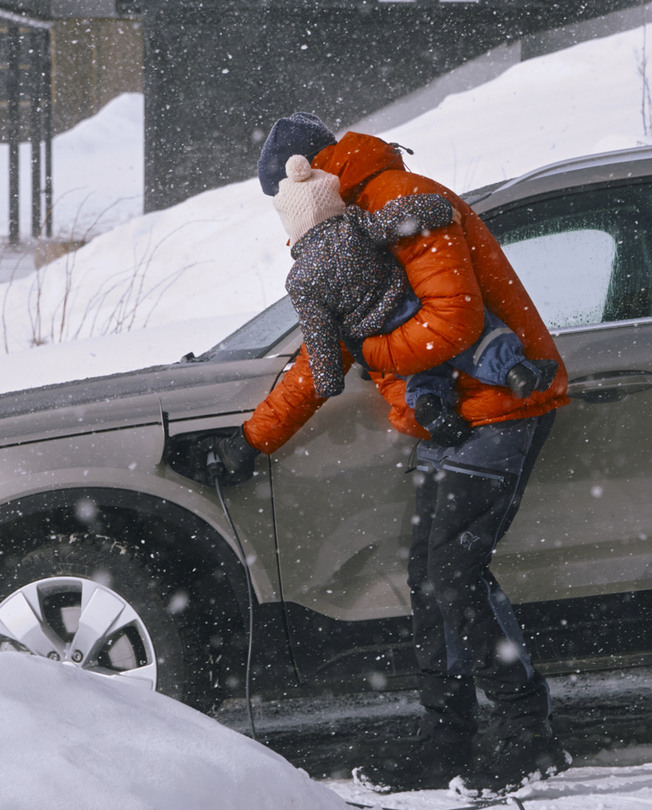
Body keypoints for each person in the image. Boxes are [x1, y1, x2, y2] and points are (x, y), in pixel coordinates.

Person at [215, 112, 572, 798]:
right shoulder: (355, 219)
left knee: (455, 574)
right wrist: (255, 436)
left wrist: (367, 351)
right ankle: (449, 737)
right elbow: (318, 356)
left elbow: (455, 321)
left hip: (498, 406)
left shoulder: (394, 198)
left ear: (314, 171)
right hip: (450, 419)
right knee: (430, 577)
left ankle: (531, 737)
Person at [268, 152, 559, 447]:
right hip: (408, 307)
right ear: (333, 202)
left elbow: (320, 337)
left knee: (418, 370)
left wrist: (329, 380)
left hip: (379, 335)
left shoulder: (300, 281)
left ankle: (428, 404)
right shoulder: (355, 225)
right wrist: (440, 209)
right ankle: (514, 370)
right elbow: (398, 218)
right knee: (479, 340)